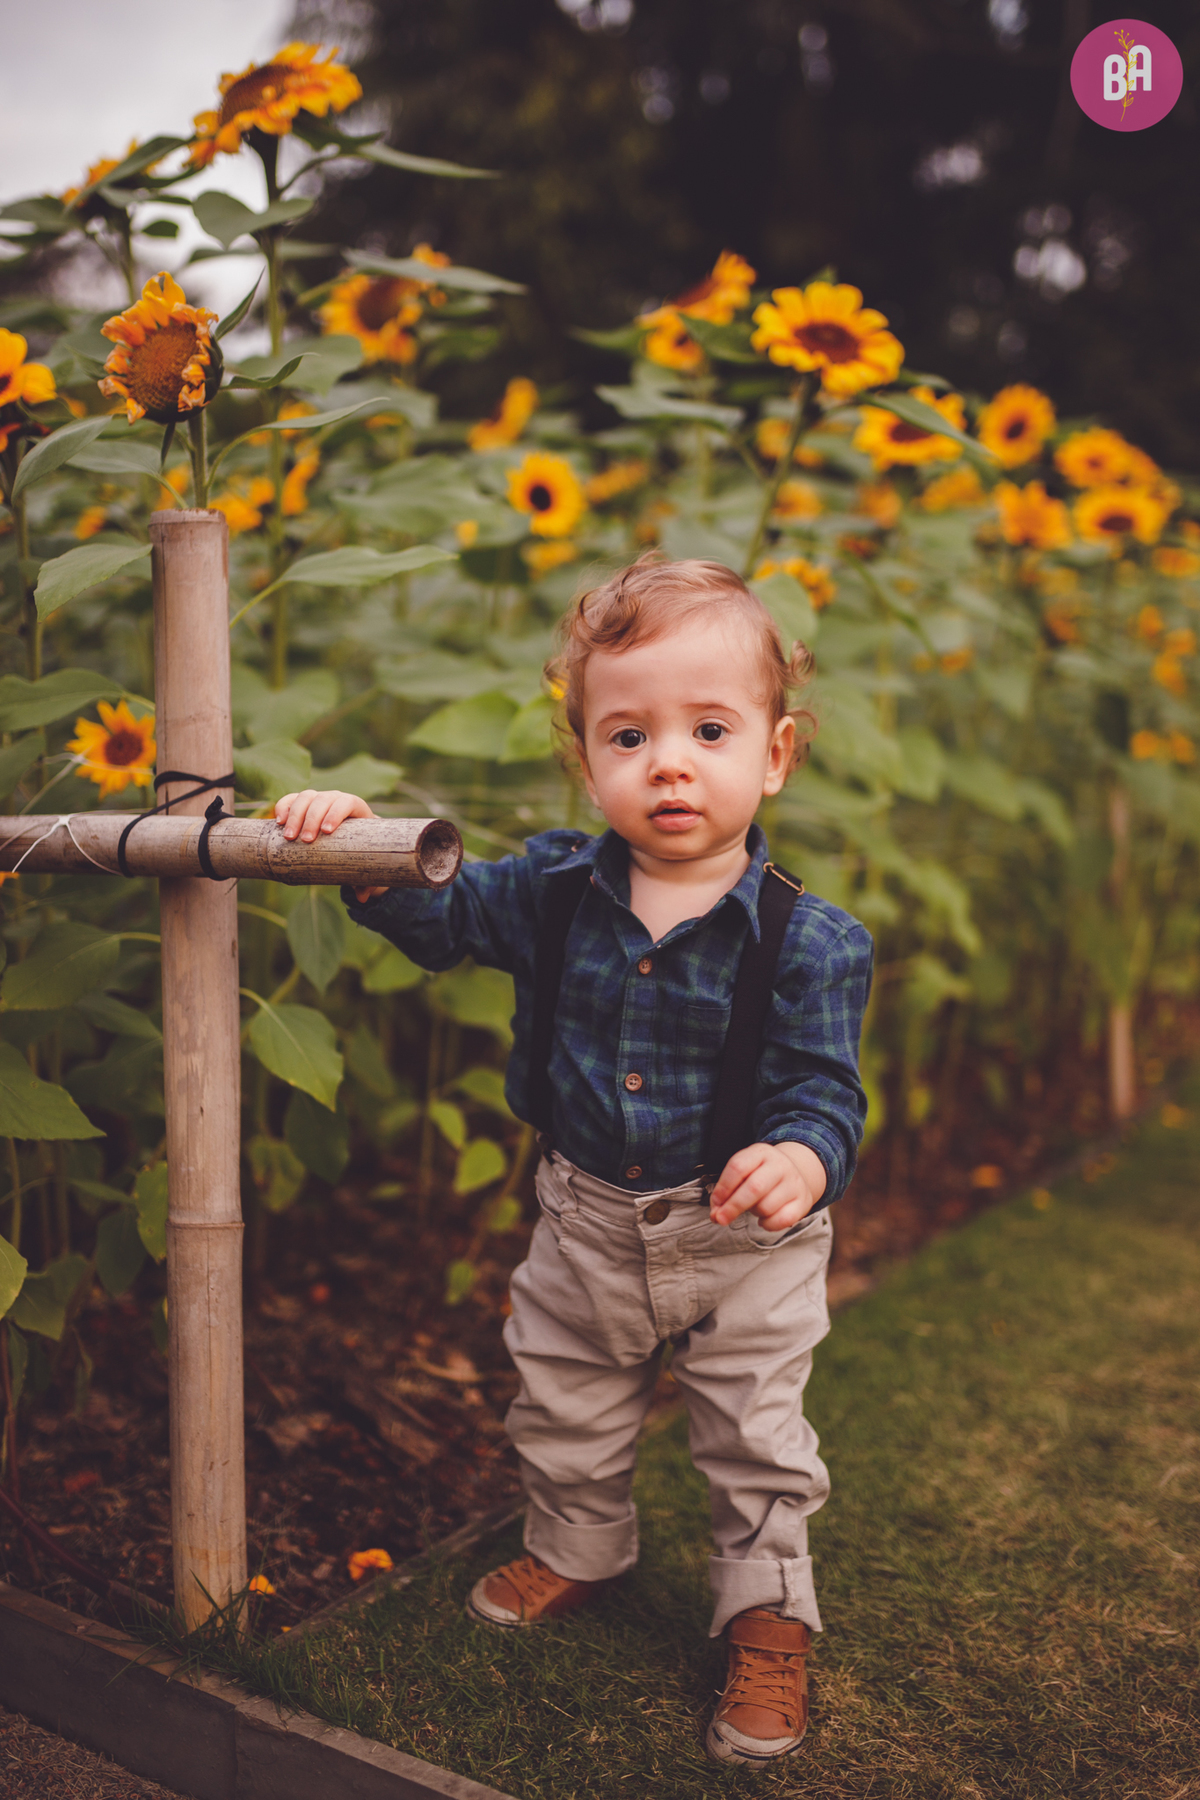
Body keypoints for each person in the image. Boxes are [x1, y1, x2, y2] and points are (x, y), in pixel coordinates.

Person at [274, 554, 873, 1765]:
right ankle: (580, 1548)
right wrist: (360, 843)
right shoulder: (550, 889)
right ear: (588, 760)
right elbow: (442, 917)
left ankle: (767, 1615)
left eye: (710, 730)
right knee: (563, 1397)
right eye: (629, 735)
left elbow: (824, 1089)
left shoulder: (811, 940)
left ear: (775, 754)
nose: (669, 763)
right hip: (586, 1218)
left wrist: (803, 1158)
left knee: (757, 1435)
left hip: (743, 1240)